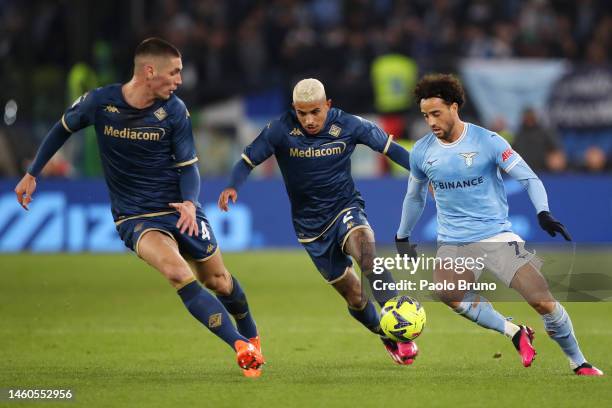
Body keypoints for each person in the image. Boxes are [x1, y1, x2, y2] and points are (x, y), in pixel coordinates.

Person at [13, 38, 264, 377]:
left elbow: (189, 166)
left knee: (219, 281)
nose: (179, 80)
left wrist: (190, 203)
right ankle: (240, 346)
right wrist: (32, 173)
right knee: (177, 272)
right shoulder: (100, 102)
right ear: (149, 71)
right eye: (174, 73)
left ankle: (253, 338)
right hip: (135, 216)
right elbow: (63, 128)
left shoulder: (174, 110)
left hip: (179, 209)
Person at [396, 73, 603, 376]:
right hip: (454, 240)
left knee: (542, 301)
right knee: (449, 294)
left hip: (496, 235)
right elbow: (414, 198)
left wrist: (543, 212)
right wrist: (402, 235)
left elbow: (528, 178)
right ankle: (514, 331)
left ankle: (579, 361)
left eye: (436, 113)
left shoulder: (488, 141)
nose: (430, 122)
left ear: (454, 107)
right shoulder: (422, 151)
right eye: (425, 115)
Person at [218, 78, 418, 365]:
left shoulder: (349, 124)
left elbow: (391, 149)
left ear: (328, 105)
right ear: (294, 109)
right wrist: (233, 185)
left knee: (366, 252)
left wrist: (421, 176)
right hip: (310, 226)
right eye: (302, 113)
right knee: (355, 297)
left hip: (346, 207)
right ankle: (384, 333)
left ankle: (400, 321)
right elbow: (247, 161)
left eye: (315, 111)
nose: (309, 120)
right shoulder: (279, 129)